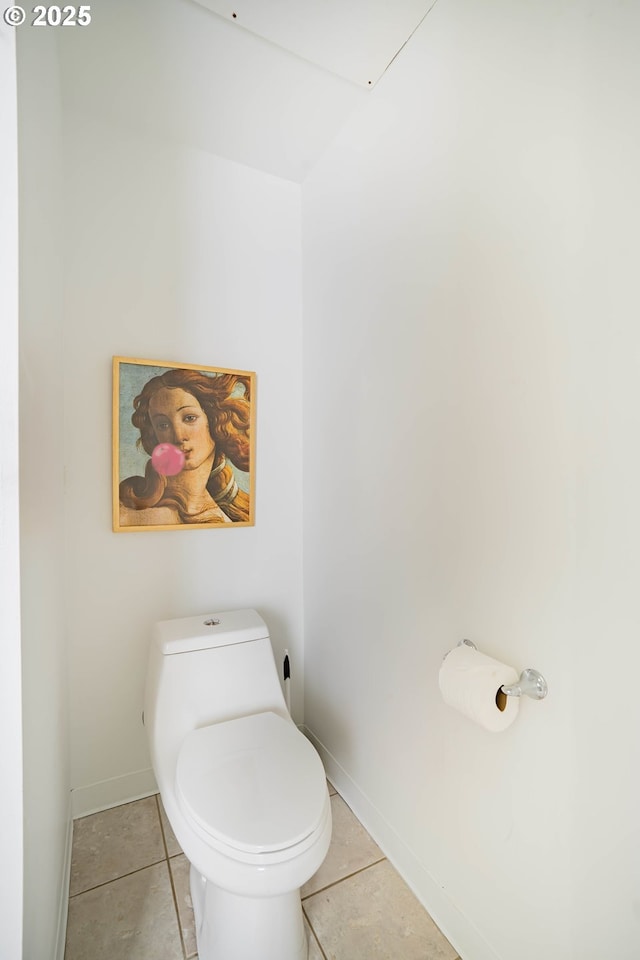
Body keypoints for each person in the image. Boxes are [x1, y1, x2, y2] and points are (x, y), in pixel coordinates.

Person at [119, 367, 252, 527]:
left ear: (213, 420)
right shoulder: (138, 515)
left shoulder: (226, 511)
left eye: (189, 418)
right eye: (163, 425)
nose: (178, 435)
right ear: (155, 435)